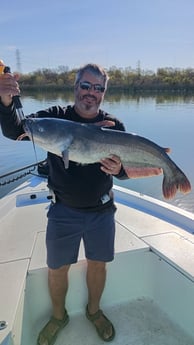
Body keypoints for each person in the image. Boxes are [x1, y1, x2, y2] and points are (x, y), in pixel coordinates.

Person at [0, 63, 161, 345]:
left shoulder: (113, 126)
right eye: (85, 86)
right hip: (63, 210)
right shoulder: (53, 117)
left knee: (98, 265)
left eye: (98, 88)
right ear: (76, 88)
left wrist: (118, 171)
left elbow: (125, 167)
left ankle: (94, 311)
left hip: (101, 211)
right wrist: (5, 101)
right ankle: (59, 315)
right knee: (57, 268)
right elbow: (17, 130)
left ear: (103, 93)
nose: (91, 93)